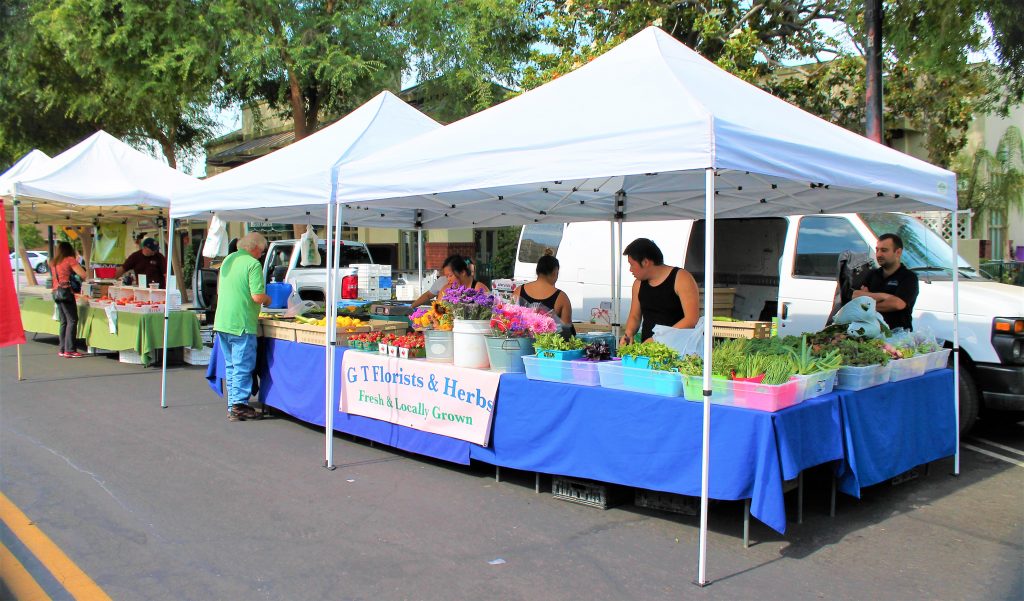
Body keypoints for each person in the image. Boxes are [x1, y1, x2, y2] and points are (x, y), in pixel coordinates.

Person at [214, 233, 271, 421]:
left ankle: (233, 404)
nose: (261, 255)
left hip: (222, 320)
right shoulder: (253, 264)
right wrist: (268, 299)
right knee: (242, 365)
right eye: (261, 251)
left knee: (231, 365)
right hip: (241, 322)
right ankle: (239, 404)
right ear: (255, 248)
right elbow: (257, 296)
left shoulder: (229, 259)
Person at [619, 238, 700, 347]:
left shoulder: (681, 278)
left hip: (678, 350)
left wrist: (658, 339)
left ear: (645, 262)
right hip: (648, 351)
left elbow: (691, 319)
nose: (630, 269)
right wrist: (629, 333)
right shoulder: (638, 284)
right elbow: (635, 316)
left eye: (632, 264)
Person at [853, 233, 919, 331]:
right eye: (877, 250)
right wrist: (886, 296)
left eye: (884, 250)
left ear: (898, 252)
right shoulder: (872, 274)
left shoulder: (909, 277)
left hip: (897, 336)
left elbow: (897, 304)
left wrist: (868, 302)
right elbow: (856, 296)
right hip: (871, 333)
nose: (878, 254)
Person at [49, 241, 89, 358]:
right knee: (72, 320)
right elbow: (83, 274)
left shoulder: (53, 262)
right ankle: (70, 349)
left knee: (63, 321)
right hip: (65, 291)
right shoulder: (69, 259)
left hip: (56, 292)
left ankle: (62, 348)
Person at [514, 254, 573, 330]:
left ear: (537, 271)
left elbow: (510, 319)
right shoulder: (561, 297)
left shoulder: (519, 290)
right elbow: (567, 331)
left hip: (521, 341)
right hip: (548, 341)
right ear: (555, 272)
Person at [411, 254, 489, 308]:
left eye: (450, 275)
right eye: (447, 276)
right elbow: (438, 311)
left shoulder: (479, 288)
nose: (448, 279)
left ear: (462, 272)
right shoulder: (445, 290)